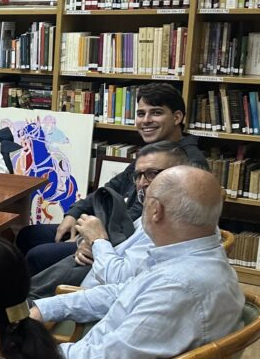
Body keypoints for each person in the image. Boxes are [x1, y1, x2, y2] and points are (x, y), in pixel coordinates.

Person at [31, 166, 243, 359]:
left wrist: (31, 352)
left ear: (156, 211)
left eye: (144, 198)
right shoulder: (195, 259)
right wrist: (44, 309)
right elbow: (123, 291)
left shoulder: (176, 286)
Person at [17, 83, 206, 274]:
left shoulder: (188, 165)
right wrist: (74, 213)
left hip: (127, 248)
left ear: (177, 117)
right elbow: (110, 189)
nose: (146, 120)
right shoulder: (154, 151)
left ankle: (32, 301)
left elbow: (144, 221)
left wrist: (92, 237)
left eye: (156, 113)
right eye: (141, 114)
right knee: (29, 234)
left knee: (38, 255)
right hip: (110, 231)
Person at [26, 142, 193, 298]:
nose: (142, 183)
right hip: (88, 291)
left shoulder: (169, 227)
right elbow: (121, 247)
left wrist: (98, 240)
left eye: (151, 174)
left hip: (90, 303)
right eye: (138, 176)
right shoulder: (152, 213)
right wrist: (88, 244)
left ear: (181, 174)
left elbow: (119, 281)